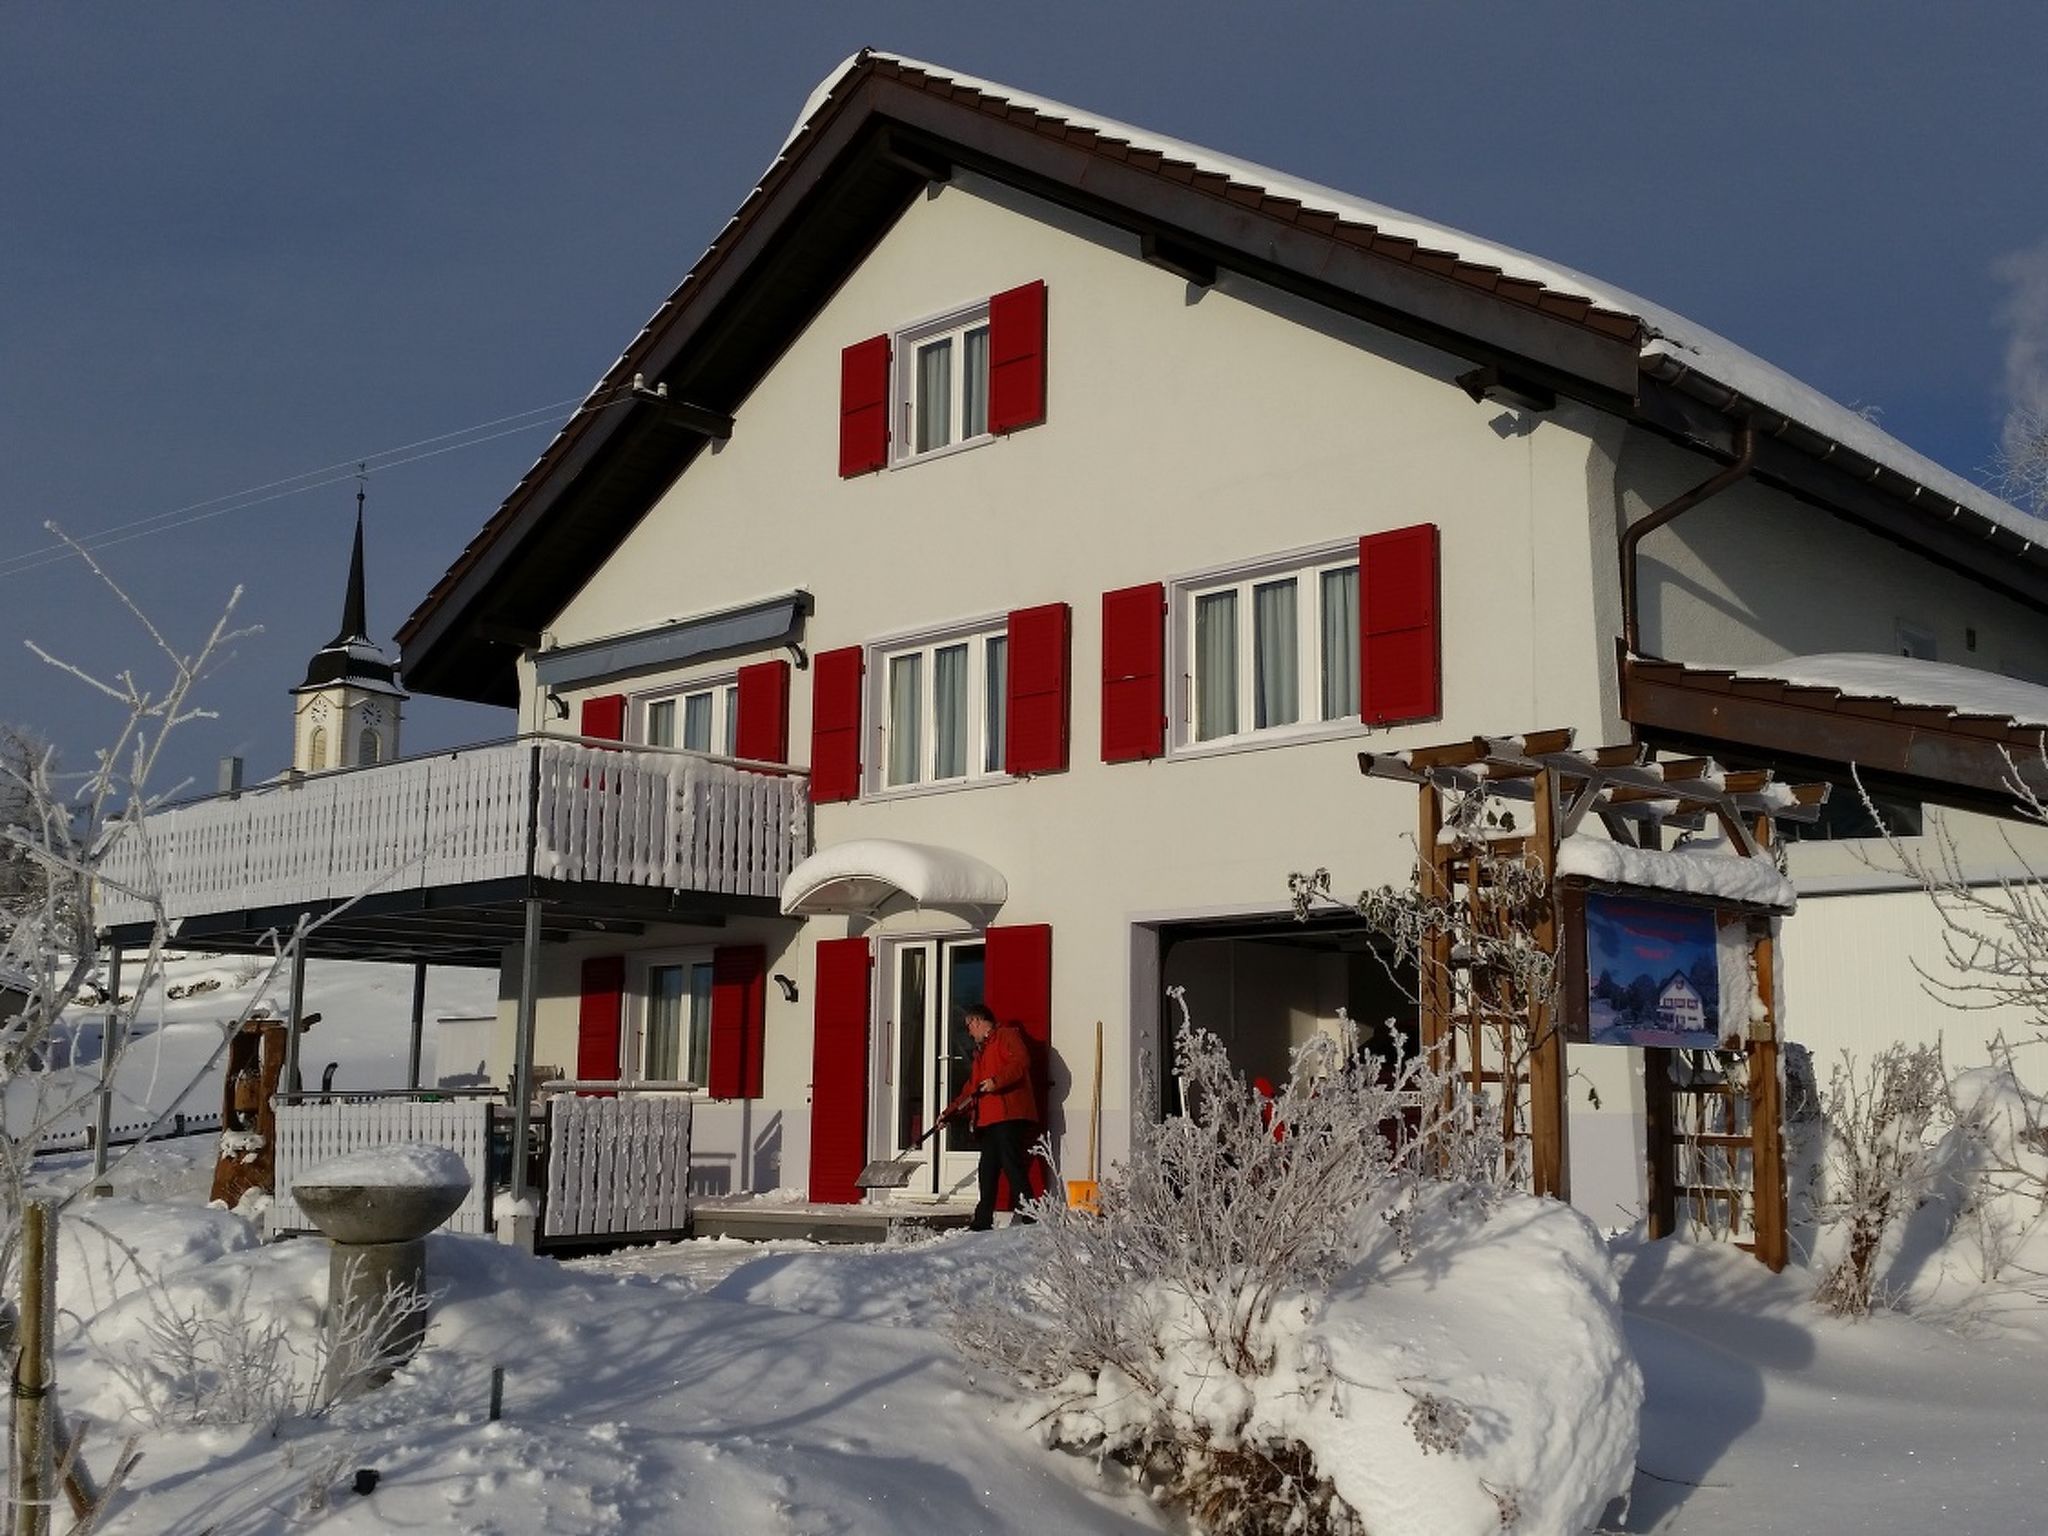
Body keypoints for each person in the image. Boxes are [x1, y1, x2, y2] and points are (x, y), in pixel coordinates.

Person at [946, 1001, 1039, 1231]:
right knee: (987, 1168)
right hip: (988, 1119)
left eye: (969, 1026)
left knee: (1011, 1163)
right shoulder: (981, 1053)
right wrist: (948, 1114)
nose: (968, 1032)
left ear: (976, 1021)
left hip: (1009, 1113)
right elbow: (971, 1089)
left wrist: (996, 1082)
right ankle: (982, 1219)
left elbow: (1020, 1062)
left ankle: (1031, 1214)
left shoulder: (1006, 1036)